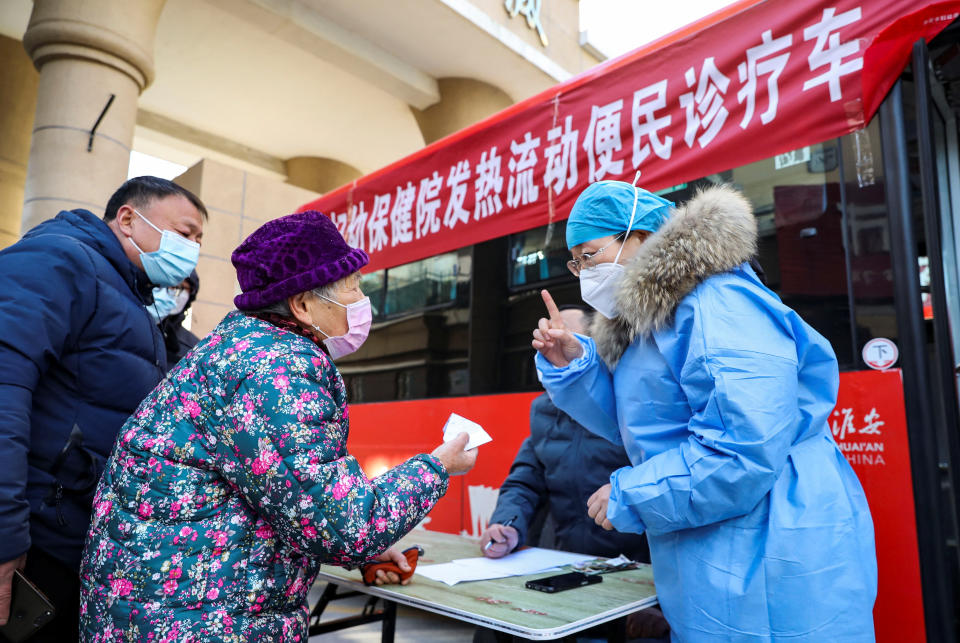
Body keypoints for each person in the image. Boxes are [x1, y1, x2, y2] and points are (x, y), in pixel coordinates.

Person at [78, 211, 478, 641]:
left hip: (167, 612)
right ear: (303, 304)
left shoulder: (240, 350)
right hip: (201, 623)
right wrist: (437, 467)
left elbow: (287, 498)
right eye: (354, 287)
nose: (364, 302)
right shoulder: (275, 370)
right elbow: (344, 527)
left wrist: (370, 550)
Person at [532, 180, 877, 642]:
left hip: (771, 539)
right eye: (575, 261)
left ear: (638, 237)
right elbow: (639, 425)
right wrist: (577, 366)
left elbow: (743, 451)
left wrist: (633, 495)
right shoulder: (655, 320)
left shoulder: (718, 304)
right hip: (720, 536)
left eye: (589, 254)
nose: (582, 272)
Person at [0, 176, 206, 640]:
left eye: (198, 240)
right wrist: (5, 536)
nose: (192, 248)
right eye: (185, 232)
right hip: (34, 541)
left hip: (72, 540)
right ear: (129, 219)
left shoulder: (131, 299)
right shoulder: (61, 260)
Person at [481, 305, 649, 564]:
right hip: (572, 564)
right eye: (550, 339)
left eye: (567, 338)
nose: (557, 347)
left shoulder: (629, 405)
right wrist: (506, 525)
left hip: (635, 568)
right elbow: (525, 482)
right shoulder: (544, 410)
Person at [151, 269, 201, 371]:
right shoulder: (132, 322)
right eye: (169, 285)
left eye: (179, 288)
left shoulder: (194, 347)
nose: (172, 292)